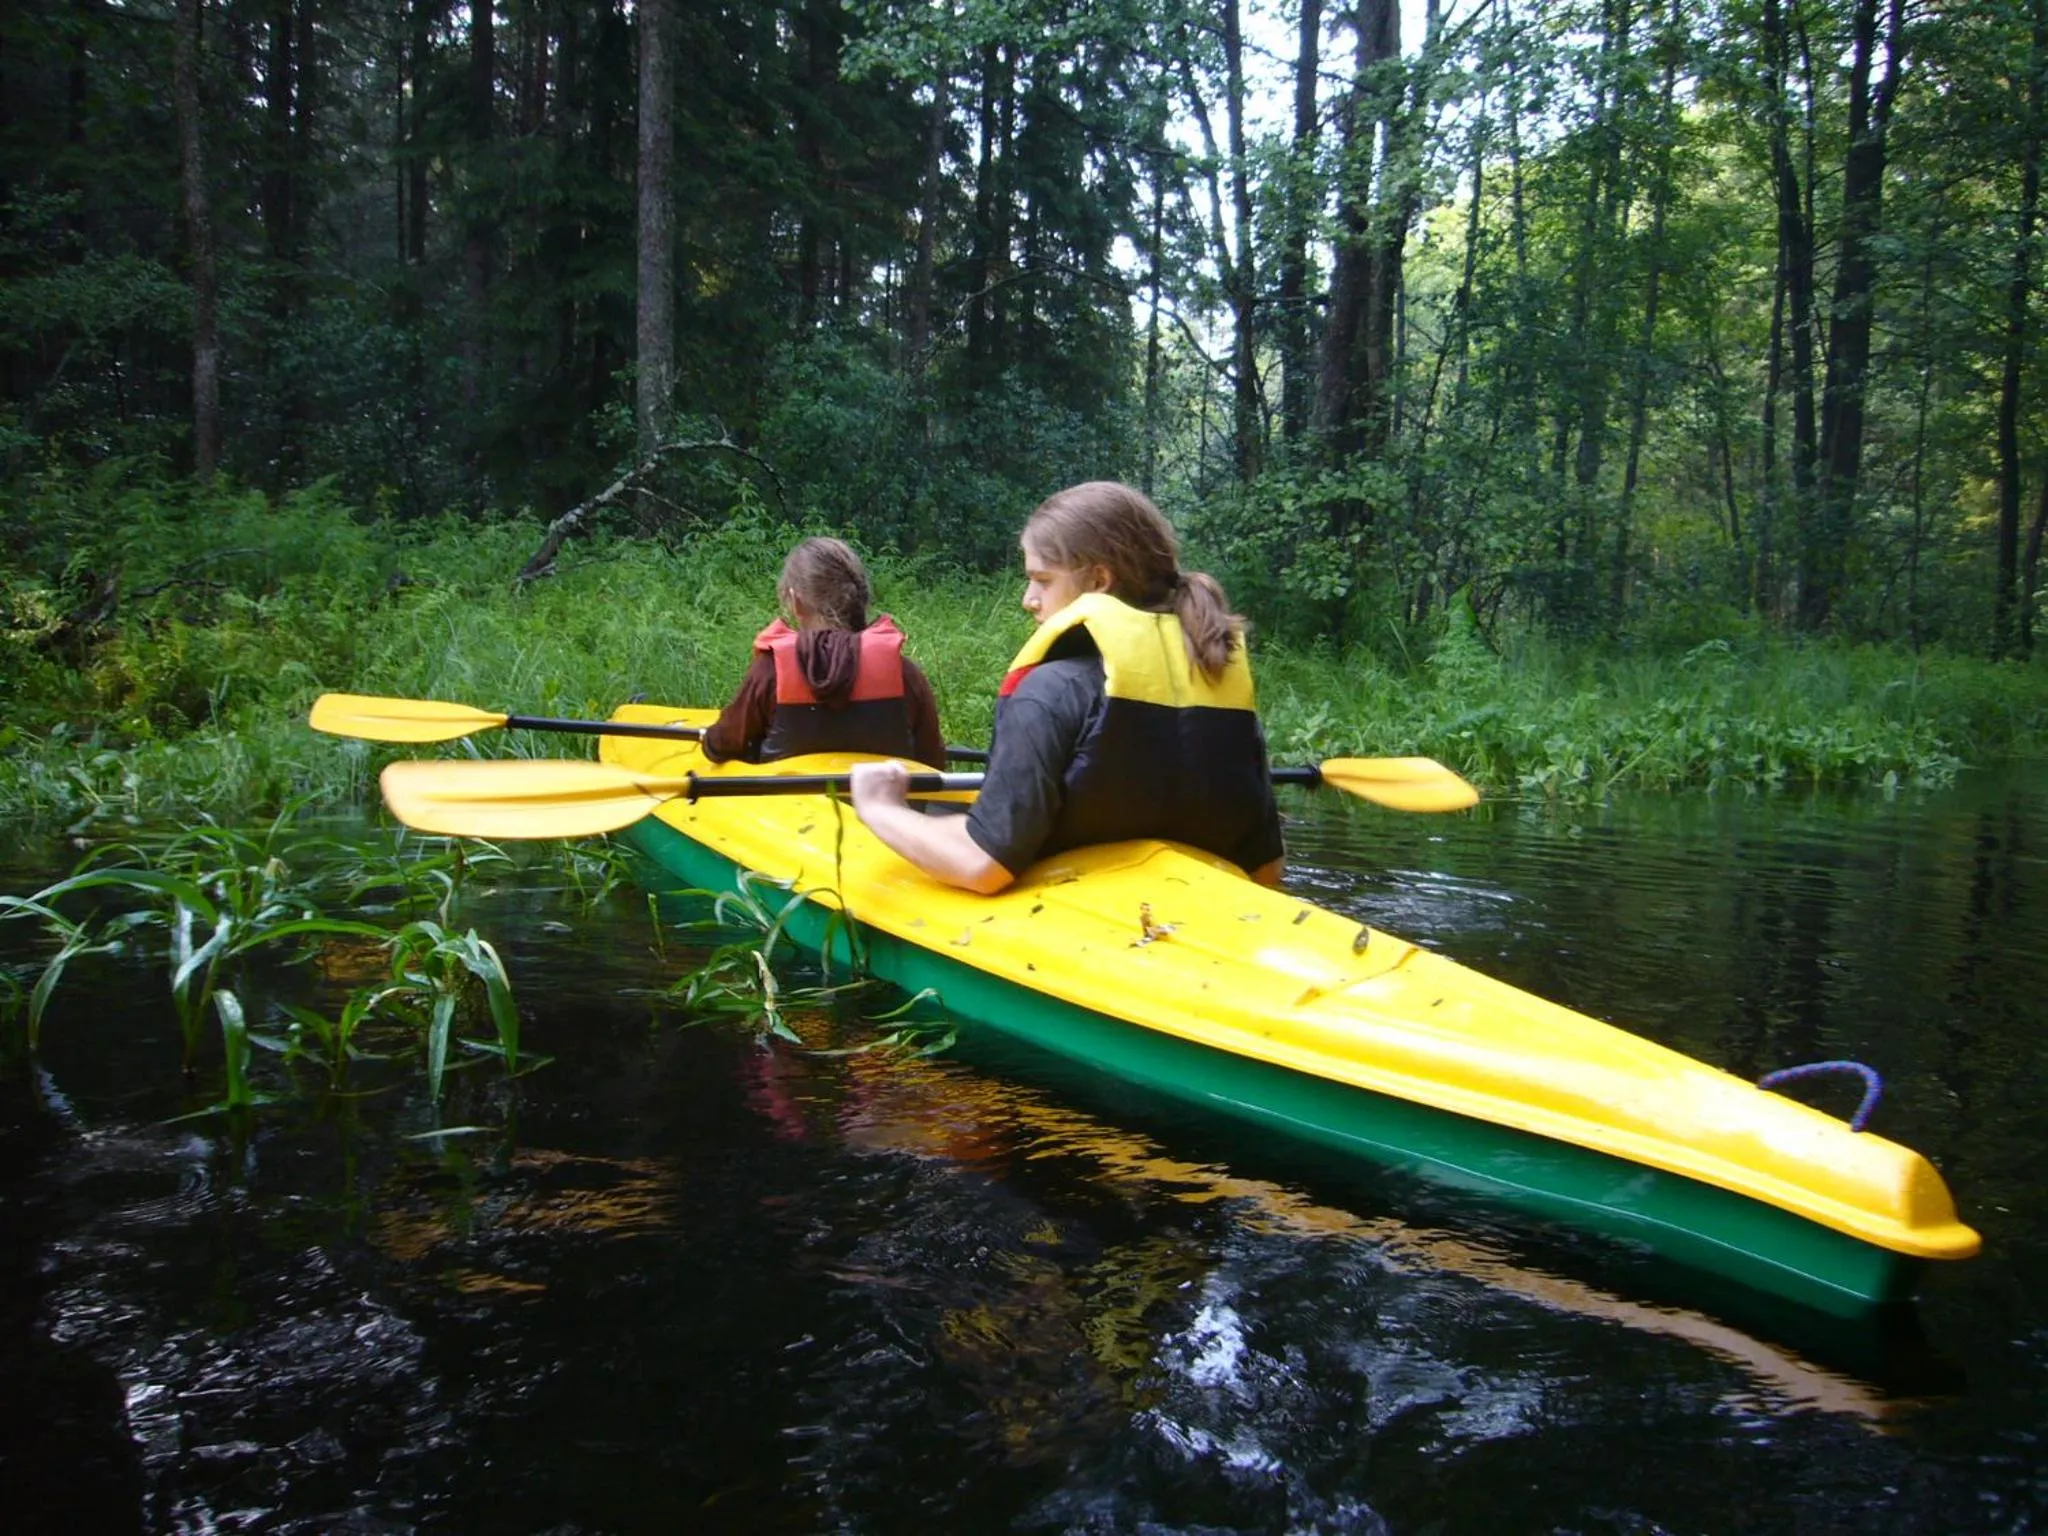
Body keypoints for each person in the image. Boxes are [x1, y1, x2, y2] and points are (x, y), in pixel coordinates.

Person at [849, 481, 1283, 894]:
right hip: (1197, 916)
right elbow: (1266, 870)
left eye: (1043, 580)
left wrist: (880, 806)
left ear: (1097, 580)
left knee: (943, 810)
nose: (1028, 599)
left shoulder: (1051, 691)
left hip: (1081, 920)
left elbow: (982, 865)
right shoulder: (1216, 681)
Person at [702, 536, 946, 768]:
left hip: (790, 811)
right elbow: (933, 763)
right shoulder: (906, 675)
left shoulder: (770, 671)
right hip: (883, 811)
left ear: (795, 602)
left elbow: (721, 746)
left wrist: (713, 741)